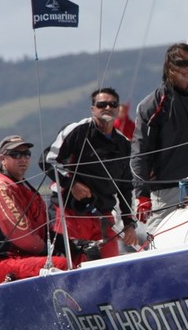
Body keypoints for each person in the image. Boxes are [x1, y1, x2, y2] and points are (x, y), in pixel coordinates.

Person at [131, 43, 188, 225]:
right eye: (182, 63)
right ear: (169, 67)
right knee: (160, 244)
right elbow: (140, 152)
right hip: (167, 192)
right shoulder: (154, 104)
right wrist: (141, 195)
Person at [40, 87, 139, 260]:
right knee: (78, 264)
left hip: (104, 215)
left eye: (112, 104)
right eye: (101, 104)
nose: (107, 108)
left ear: (117, 109)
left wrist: (129, 223)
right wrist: (72, 185)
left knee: (111, 265)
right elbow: (47, 161)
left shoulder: (123, 143)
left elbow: (125, 186)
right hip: (72, 213)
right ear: (92, 109)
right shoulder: (77, 131)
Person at [0, 135, 75, 286]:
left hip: (20, 258)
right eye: (15, 154)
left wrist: (74, 246)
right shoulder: (0, 187)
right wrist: (51, 251)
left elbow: (43, 227)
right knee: (60, 264)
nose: (23, 159)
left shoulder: (22, 188)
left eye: (27, 154)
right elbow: (22, 235)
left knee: (79, 258)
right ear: (2, 159)